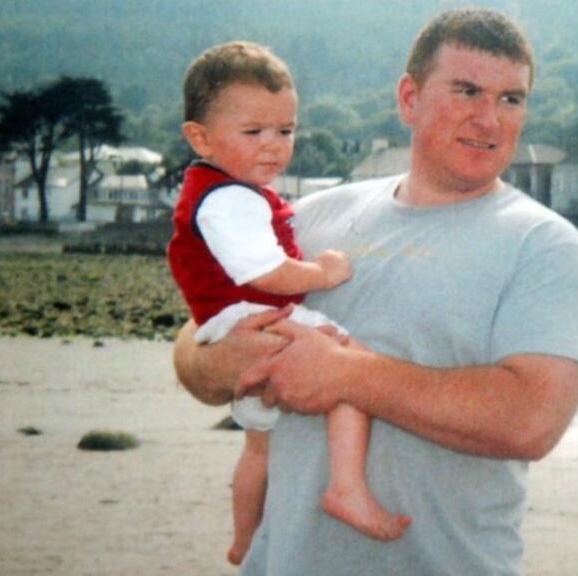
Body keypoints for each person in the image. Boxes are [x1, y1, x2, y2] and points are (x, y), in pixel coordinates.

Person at [173, 9, 578, 574]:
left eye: (511, 99)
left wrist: (344, 374)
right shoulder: (311, 217)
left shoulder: (545, 245)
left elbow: (531, 420)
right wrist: (229, 361)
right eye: (467, 91)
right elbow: (195, 342)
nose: (489, 120)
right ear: (409, 98)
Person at [166, 41, 409, 566]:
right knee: (352, 365)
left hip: (228, 324)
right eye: (254, 132)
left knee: (258, 447)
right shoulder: (230, 199)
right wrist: (322, 272)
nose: (274, 146)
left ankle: (243, 541)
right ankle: (346, 485)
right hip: (253, 320)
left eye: (286, 131)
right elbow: (264, 271)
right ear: (199, 137)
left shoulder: (223, 190)